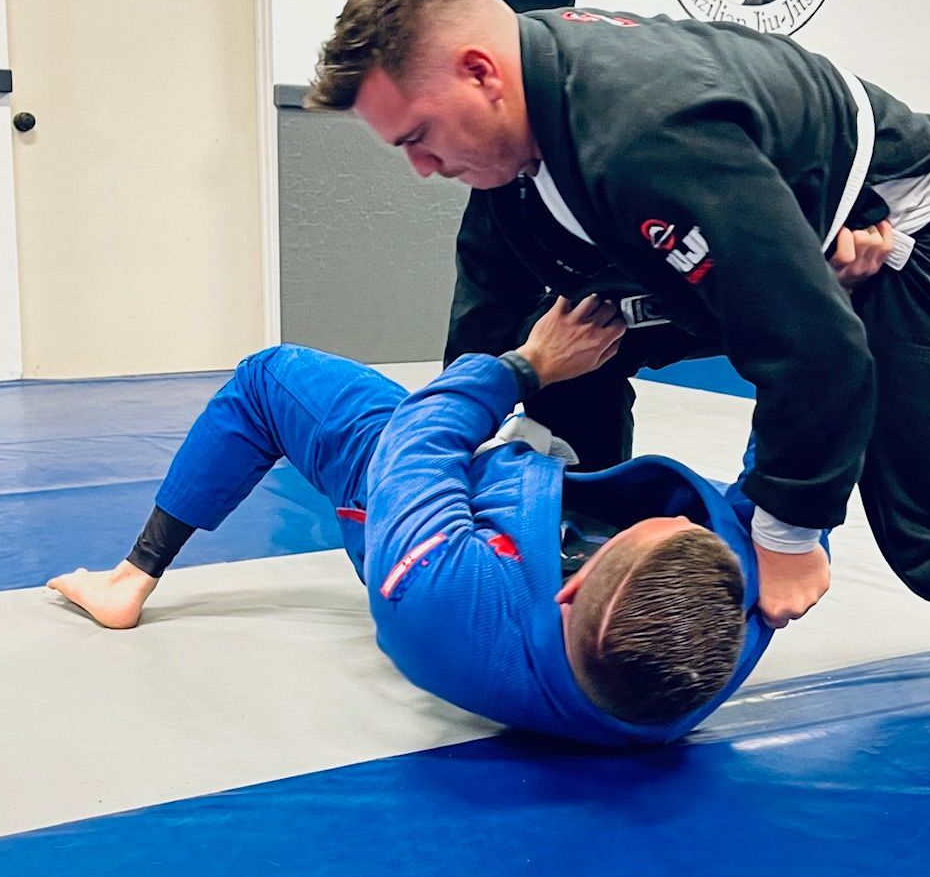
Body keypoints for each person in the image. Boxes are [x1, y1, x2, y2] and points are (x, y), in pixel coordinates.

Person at [306, 0, 930, 673]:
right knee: (570, 345)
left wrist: (788, 533)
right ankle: (586, 551)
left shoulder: (640, 136)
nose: (420, 170)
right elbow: (489, 321)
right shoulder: (511, 149)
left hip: (890, 234)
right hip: (757, 215)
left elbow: (817, 352)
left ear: (482, 72)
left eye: (419, 138)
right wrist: (462, 474)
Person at [48, 295, 782, 745]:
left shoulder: (442, 599)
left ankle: (127, 581)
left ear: (570, 585)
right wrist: (817, 320)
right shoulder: (727, 631)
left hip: (446, 506)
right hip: (547, 494)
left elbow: (419, 440)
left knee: (269, 378)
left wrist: (527, 366)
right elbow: (784, 475)